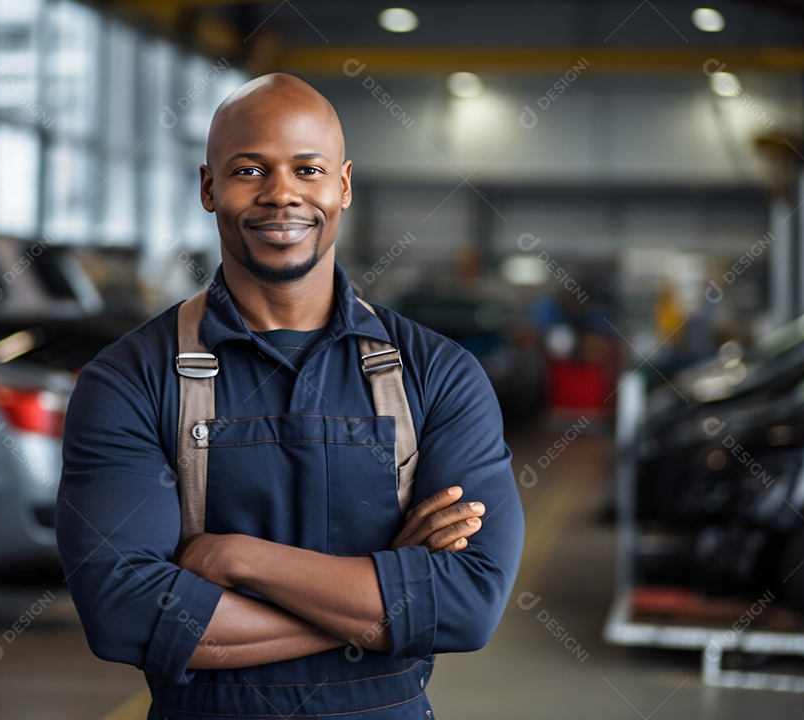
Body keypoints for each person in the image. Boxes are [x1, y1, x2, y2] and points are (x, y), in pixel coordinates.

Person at [57, 73, 524, 719]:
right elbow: (123, 615)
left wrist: (237, 557)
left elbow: (469, 606)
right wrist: (394, 602)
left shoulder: (438, 374)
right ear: (208, 187)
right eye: (250, 170)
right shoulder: (132, 378)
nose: (282, 194)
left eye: (308, 169)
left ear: (344, 185)